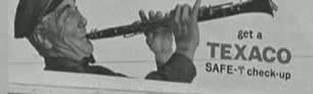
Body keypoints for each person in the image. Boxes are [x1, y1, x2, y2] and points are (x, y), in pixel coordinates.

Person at [14, 0, 200, 82]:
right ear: (43, 38)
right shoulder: (74, 84)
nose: (83, 20)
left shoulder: (86, 74)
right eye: (67, 13)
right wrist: (184, 49)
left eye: (76, 8)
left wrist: (164, 54)